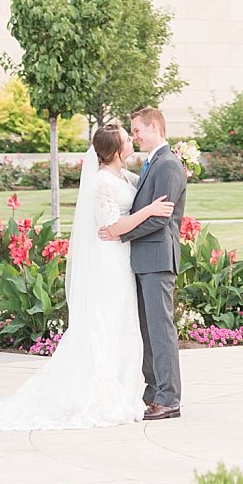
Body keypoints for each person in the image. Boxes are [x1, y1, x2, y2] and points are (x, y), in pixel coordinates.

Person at [0, 121, 173, 431]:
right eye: (127, 139)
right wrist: (149, 210)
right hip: (110, 260)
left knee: (122, 322)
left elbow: (149, 183)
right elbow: (112, 227)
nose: (131, 142)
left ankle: (125, 388)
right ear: (115, 150)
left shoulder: (123, 175)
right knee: (106, 321)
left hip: (125, 260)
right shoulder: (101, 182)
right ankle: (99, 393)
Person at [101, 105, 187, 420]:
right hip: (144, 259)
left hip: (158, 258)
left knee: (160, 330)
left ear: (153, 127)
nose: (134, 136)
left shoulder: (168, 166)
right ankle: (153, 394)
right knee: (148, 331)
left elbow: (160, 220)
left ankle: (169, 399)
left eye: (137, 129)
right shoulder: (153, 163)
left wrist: (120, 234)